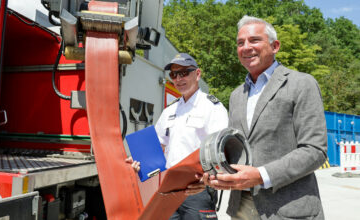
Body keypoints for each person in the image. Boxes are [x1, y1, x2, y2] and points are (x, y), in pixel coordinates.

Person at [203, 15, 328, 219]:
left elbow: (315, 150)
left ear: (275, 46)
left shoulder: (301, 84)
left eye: (254, 40)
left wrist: (261, 176)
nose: (246, 47)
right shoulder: (236, 95)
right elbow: (236, 149)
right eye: (240, 43)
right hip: (241, 208)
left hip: (287, 209)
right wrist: (216, 173)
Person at [126, 53, 229, 219]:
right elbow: (159, 145)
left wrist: (207, 182)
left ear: (197, 74)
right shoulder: (170, 111)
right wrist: (139, 160)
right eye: (173, 74)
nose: (178, 78)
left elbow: (221, 151)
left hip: (197, 190)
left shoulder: (213, 107)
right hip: (168, 188)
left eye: (184, 73)